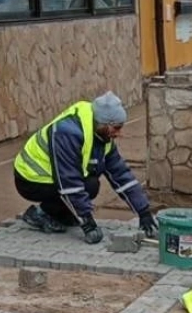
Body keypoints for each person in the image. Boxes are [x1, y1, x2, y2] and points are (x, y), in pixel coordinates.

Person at [13, 91, 158, 244]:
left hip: (53, 177)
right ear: (104, 124)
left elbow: (121, 174)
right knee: (86, 186)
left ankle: (63, 213)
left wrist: (144, 212)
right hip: (30, 178)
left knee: (92, 185)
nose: (118, 133)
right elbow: (69, 182)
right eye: (116, 128)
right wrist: (87, 223)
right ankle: (39, 214)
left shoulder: (102, 137)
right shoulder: (67, 132)